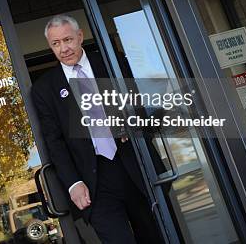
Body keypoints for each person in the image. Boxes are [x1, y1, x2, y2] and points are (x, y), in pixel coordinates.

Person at [31, 14, 163, 244]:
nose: (64, 48)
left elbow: (141, 105)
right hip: (92, 182)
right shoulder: (45, 89)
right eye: (56, 44)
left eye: (68, 40)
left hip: (134, 165)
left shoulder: (112, 63)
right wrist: (73, 183)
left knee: (156, 236)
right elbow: (55, 142)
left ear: (80, 36)